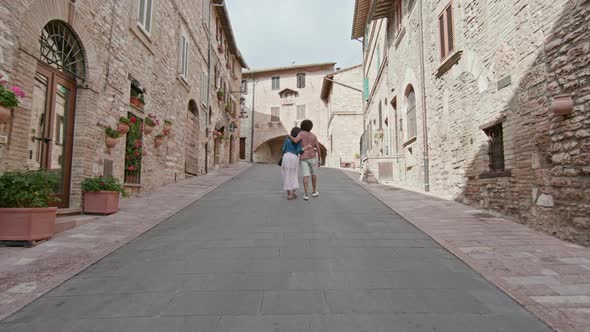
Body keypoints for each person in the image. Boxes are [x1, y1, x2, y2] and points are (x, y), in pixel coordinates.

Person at [290, 119, 321, 200]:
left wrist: (289, 136)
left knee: (305, 175)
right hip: (313, 157)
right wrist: (320, 159)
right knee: (313, 174)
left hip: (304, 157)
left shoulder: (301, 133)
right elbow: (318, 148)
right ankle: (314, 192)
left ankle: (306, 194)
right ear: (311, 127)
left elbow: (296, 140)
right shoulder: (314, 136)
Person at [281, 127, 306, 200]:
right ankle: (293, 192)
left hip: (286, 156)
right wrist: (304, 149)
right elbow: (299, 150)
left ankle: (290, 194)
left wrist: (283, 156)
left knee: (287, 175)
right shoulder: (299, 140)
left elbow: (283, 149)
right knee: (293, 174)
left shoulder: (287, 139)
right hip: (294, 157)